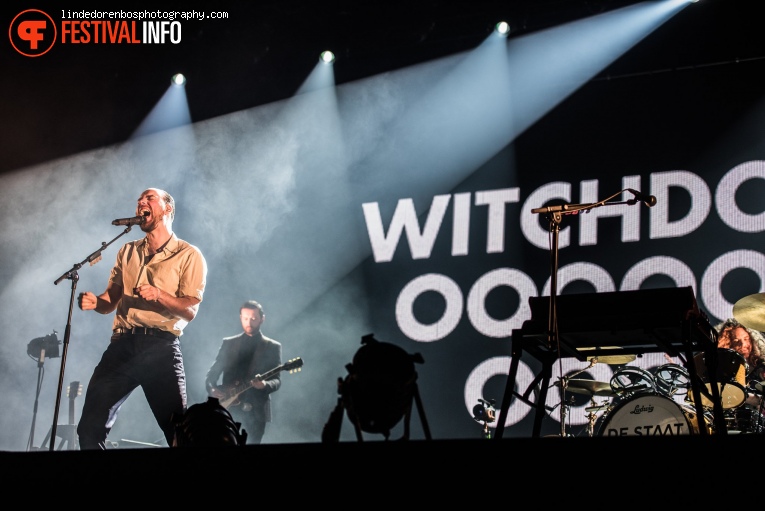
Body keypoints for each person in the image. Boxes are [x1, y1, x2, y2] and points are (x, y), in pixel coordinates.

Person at [76, 188, 208, 450]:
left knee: (179, 432)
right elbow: (109, 302)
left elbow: (189, 310)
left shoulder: (188, 254)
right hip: (122, 346)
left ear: (168, 208)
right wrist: (96, 303)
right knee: (88, 429)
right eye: (139, 200)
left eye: (149, 199)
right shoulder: (127, 251)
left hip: (160, 348)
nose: (140, 203)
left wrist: (160, 295)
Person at [205, 300, 282, 444]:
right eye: (246, 318)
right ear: (240, 317)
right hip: (228, 406)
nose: (249, 322)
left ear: (262, 319)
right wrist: (212, 388)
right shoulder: (229, 343)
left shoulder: (272, 346)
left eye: (253, 318)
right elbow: (212, 374)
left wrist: (265, 384)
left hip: (256, 409)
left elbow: (277, 380)